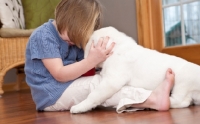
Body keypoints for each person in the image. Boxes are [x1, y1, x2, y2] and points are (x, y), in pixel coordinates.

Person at [25, 0, 175, 113]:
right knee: (102, 84)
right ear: (64, 18)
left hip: (70, 86)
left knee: (114, 78)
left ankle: (152, 94)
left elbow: (83, 67)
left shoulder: (73, 37)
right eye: (69, 39)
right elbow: (60, 75)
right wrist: (92, 60)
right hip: (52, 95)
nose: (72, 43)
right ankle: (152, 99)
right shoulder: (43, 36)